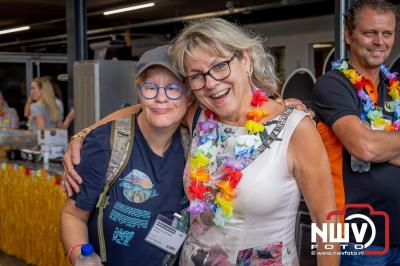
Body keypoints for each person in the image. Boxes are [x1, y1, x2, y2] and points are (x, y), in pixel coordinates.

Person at [63, 19, 338, 265]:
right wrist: (83, 135)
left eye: (219, 65)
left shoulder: (295, 129)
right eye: (196, 75)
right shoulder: (201, 117)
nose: (211, 82)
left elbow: (328, 220)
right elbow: (150, 107)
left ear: (245, 60)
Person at [61, 45, 192, 265]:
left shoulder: (197, 144)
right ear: (139, 91)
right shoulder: (105, 143)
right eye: (151, 88)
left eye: (174, 88)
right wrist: (80, 258)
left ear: (189, 96)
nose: (162, 98)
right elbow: (73, 216)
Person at [312, 0, 400, 265]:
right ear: (348, 35)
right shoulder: (332, 85)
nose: (379, 42)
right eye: (370, 33)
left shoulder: (394, 87)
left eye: (387, 33)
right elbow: (365, 147)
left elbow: (371, 145)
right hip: (357, 235)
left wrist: (380, 144)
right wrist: (377, 145)